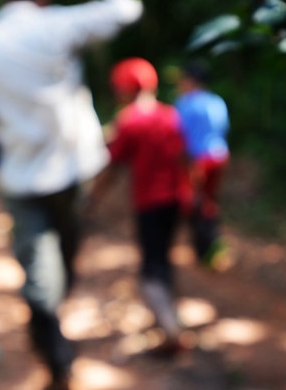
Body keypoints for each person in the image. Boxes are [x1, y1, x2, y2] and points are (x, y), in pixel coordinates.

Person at [0, 0, 142, 389]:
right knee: (67, 246)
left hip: (19, 172)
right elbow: (125, 11)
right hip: (73, 168)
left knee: (37, 259)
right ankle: (54, 340)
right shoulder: (58, 24)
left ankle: (51, 341)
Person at [89, 57, 190, 354]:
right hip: (175, 198)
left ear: (125, 88)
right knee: (163, 258)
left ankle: (171, 330)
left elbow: (111, 166)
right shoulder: (170, 115)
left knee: (151, 267)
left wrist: (92, 198)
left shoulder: (129, 121)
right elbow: (185, 156)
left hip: (150, 201)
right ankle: (170, 321)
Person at [174, 60, 230, 270]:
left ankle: (206, 249)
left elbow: (179, 136)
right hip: (220, 156)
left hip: (198, 161)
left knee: (195, 204)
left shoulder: (185, 103)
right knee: (210, 201)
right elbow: (224, 129)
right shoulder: (217, 101)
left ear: (191, 80)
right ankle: (212, 247)